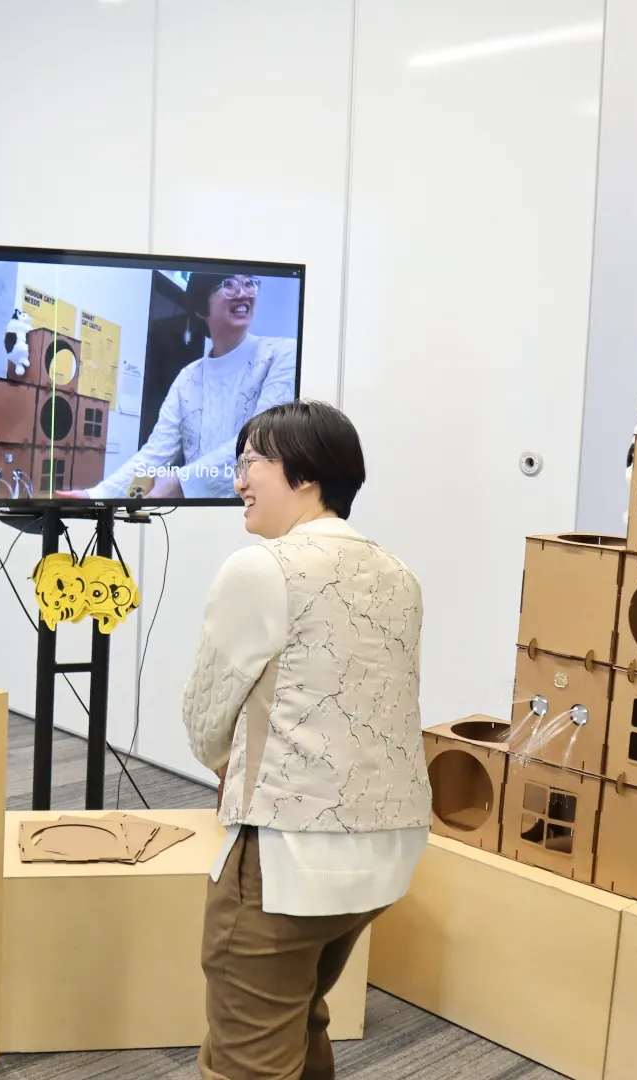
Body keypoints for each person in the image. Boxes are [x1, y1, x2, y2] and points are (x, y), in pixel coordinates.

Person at [179, 400, 431, 1080]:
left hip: (289, 853)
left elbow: (206, 713)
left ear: (308, 475)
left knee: (246, 1058)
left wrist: (228, 769)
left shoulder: (263, 568)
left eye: (250, 462)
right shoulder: (399, 574)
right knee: (299, 1015)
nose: (238, 480)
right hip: (385, 852)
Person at [63, 272, 297, 500]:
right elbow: (156, 453)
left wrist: (181, 481)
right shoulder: (187, 378)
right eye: (229, 284)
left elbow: (262, 440)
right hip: (198, 518)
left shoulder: (282, 353)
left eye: (250, 283)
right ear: (199, 307)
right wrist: (96, 494)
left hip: (263, 515)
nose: (243, 293)